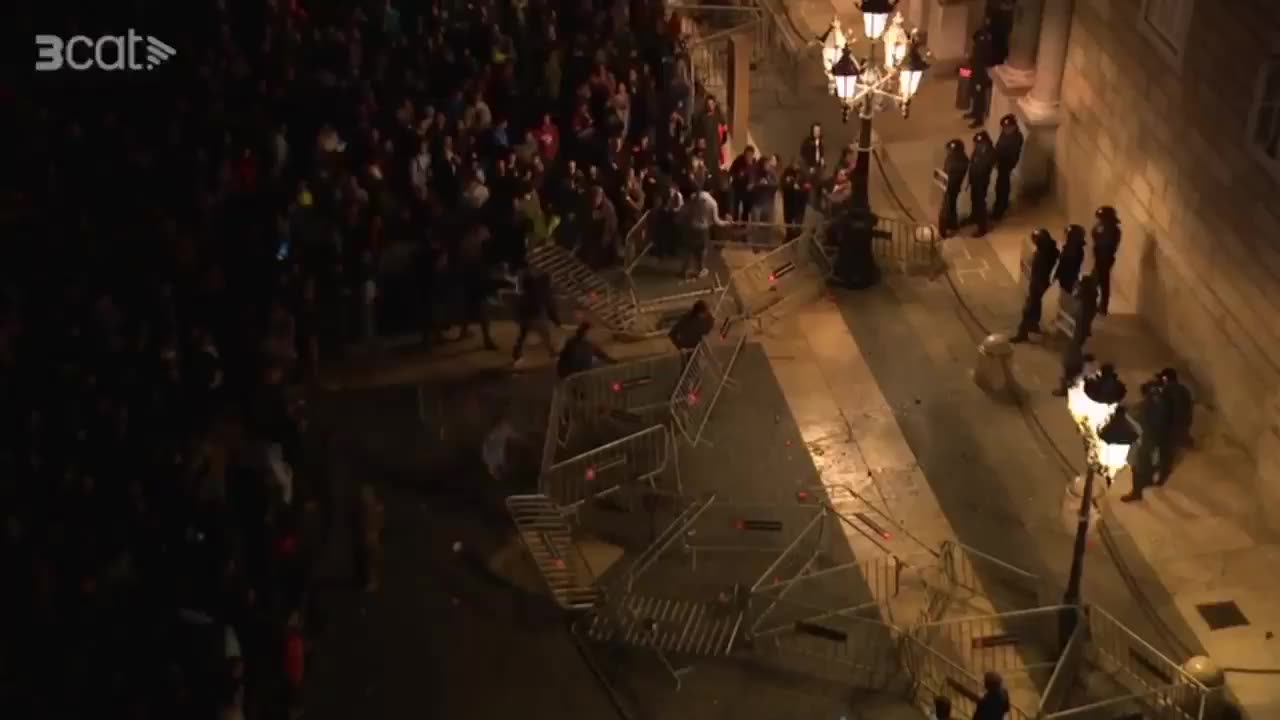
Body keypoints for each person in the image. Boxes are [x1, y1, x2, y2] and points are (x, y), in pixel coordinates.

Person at [1012, 228, 1059, 342]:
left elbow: (1038, 272)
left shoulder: (1041, 255)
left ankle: (1022, 333)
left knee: (1028, 309)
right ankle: (1033, 326)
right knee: (1036, 307)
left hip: (1037, 284)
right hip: (1042, 283)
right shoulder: (1052, 251)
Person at [511, 266, 561, 369]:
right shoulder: (542, 292)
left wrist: (518, 318)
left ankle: (516, 354)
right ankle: (552, 353)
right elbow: (550, 306)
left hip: (526, 318)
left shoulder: (525, 292)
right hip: (536, 317)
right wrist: (556, 320)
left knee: (522, 335)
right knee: (545, 335)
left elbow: (518, 307)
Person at [680, 183, 725, 279]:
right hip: (703, 228)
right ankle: (700, 270)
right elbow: (717, 221)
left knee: (690, 249)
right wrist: (727, 223)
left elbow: (686, 210)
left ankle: (685, 269)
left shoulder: (693, 197)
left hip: (692, 227)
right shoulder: (712, 202)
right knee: (702, 250)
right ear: (711, 191)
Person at [1157, 368, 1194, 480]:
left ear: (1166, 378)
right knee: (1179, 448)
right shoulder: (1184, 389)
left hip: (1171, 426)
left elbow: (1164, 410)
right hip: (1183, 424)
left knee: (1166, 453)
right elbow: (1188, 408)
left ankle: (1163, 478)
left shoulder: (1167, 390)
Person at [1090, 206, 1122, 315]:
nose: (1099, 220)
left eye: (1101, 218)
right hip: (1100, 259)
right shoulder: (1104, 227)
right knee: (1099, 282)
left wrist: (1101, 259)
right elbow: (1095, 234)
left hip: (1105, 259)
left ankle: (1101, 306)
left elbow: (1107, 246)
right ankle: (1099, 306)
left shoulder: (1111, 230)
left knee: (1099, 282)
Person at [992, 114, 1023, 219]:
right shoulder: (1005, 134)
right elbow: (999, 145)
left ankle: (1001, 208)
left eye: (1008, 127)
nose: (1005, 129)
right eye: (1004, 127)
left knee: (1003, 186)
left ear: (1013, 126)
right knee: (1000, 185)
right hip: (1001, 163)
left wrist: (1001, 160)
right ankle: (999, 204)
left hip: (1006, 164)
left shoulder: (1016, 137)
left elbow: (1012, 154)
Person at [967, 17, 996, 129]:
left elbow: (985, 60)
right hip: (975, 69)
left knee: (979, 96)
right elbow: (974, 36)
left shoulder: (988, 40)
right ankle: (974, 112)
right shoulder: (980, 35)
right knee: (974, 93)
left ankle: (978, 118)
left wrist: (981, 78)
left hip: (980, 73)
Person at [968, 130, 996, 237]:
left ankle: (982, 227)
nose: (977, 145)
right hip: (974, 180)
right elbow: (973, 161)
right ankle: (973, 217)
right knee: (974, 199)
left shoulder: (991, 153)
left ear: (986, 142)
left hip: (982, 181)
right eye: (976, 143)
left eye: (980, 143)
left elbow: (984, 167)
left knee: (980, 203)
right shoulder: (978, 150)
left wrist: (976, 163)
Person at [939, 139, 969, 238]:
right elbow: (946, 168)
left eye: (950, 150)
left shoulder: (960, 162)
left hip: (951, 188)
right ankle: (952, 224)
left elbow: (954, 177)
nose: (948, 152)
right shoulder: (952, 157)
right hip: (948, 186)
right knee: (951, 205)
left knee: (946, 208)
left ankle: (943, 229)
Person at [728, 145, 757, 221]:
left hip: (747, 189)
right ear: (744, 154)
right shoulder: (738, 160)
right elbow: (731, 172)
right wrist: (738, 175)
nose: (749, 157)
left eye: (751, 155)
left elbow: (755, 175)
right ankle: (735, 223)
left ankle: (744, 224)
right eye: (747, 155)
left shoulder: (754, 162)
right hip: (737, 187)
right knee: (736, 206)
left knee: (746, 208)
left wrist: (752, 183)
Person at [1055, 224, 1087, 294]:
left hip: (1067, 281)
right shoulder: (1076, 248)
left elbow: (1064, 265)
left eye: (1067, 235)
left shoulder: (1071, 250)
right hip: (1069, 279)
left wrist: (1057, 274)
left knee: (1065, 295)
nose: (1065, 237)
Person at [1071, 274, 1100, 346]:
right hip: (1088, 314)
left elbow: (1075, 298)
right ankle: (1086, 330)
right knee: (1086, 323)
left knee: (1082, 328)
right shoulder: (1093, 294)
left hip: (1082, 317)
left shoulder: (1081, 295)